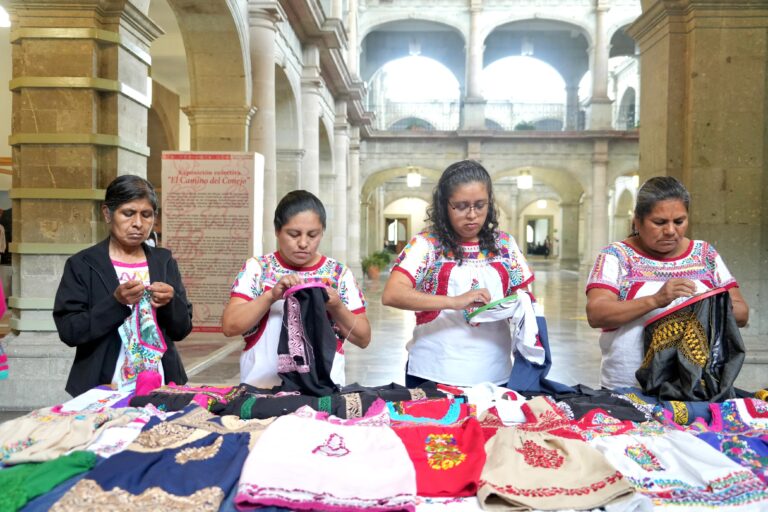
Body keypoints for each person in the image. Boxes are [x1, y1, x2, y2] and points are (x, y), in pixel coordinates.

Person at [585, 176, 749, 389]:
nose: (671, 231)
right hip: (629, 385)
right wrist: (656, 300)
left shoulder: (705, 255)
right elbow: (597, 314)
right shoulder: (616, 256)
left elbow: (742, 314)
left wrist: (704, 304)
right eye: (659, 222)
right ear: (637, 221)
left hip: (696, 385)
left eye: (679, 222)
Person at [382, 160, 534, 387]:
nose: (472, 215)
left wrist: (517, 306)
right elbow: (392, 294)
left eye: (480, 205)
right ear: (445, 205)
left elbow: (525, 298)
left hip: (494, 371)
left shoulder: (505, 245)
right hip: (435, 369)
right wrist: (455, 302)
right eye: (461, 206)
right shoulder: (427, 245)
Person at [54, 175, 193, 396]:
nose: (138, 223)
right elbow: (70, 331)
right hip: (102, 384)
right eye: (128, 213)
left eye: (146, 215)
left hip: (161, 382)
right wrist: (116, 303)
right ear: (107, 214)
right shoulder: (83, 264)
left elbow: (182, 329)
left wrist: (170, 302)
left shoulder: (163, 261)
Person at [222, 190, 371, 388]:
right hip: (260, 386)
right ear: (277, 230)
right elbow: (230, 326)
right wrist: (271, 296)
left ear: (322, 232)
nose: (303, 243)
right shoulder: (258, 269)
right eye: (293, 234)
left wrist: (336, 307)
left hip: (324, 390)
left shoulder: (338, 274)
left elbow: (363, 338)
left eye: (312, 235)